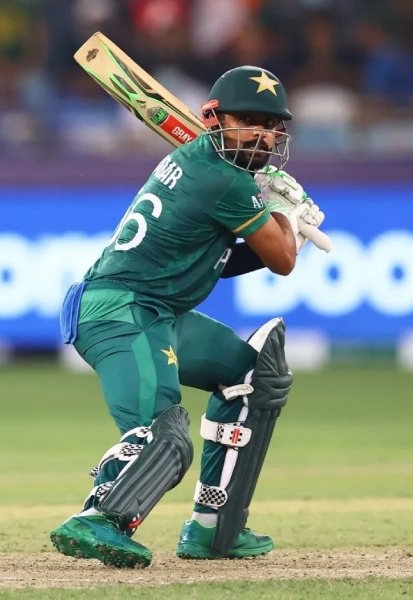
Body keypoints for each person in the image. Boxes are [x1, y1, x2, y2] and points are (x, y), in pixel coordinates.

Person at [50, 66, 331, 568]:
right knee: (163, 433)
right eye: (249, 121)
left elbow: (217, 259)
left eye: (272, 126)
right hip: (121, 311)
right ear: (213, 119)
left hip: (159, 312)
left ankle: (213, 527)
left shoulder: (209, 166)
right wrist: (289, 216)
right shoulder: (224, 180)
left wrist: (276, 218)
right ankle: (99, 517)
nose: (263, 135)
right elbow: (283, 261)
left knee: (254, 377)